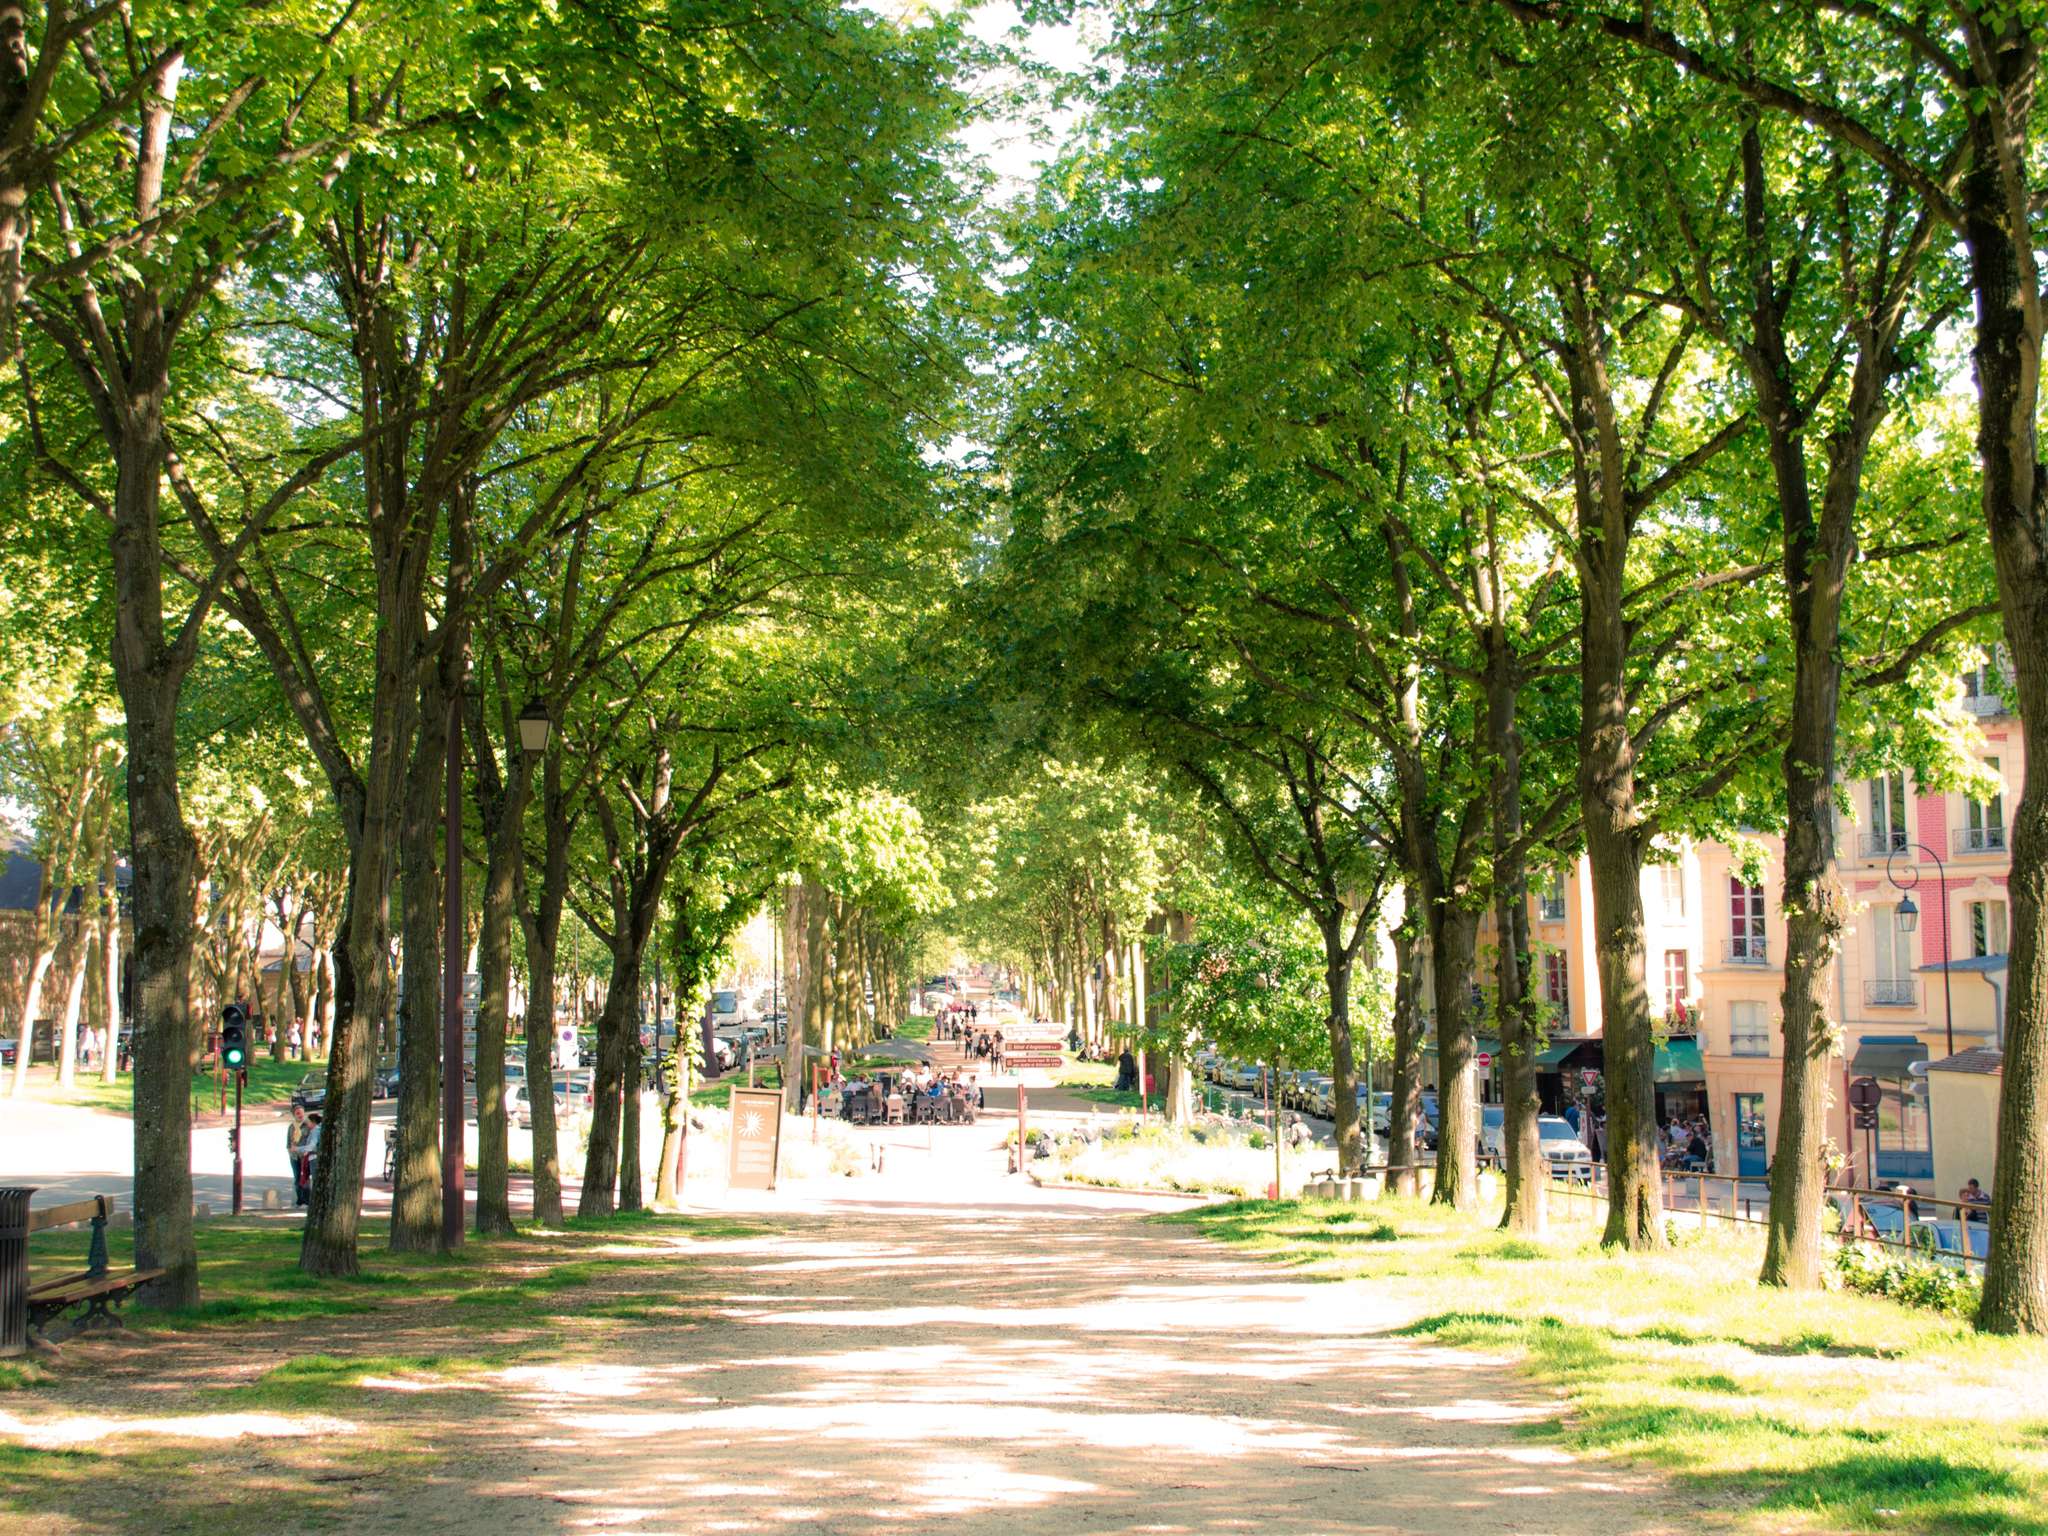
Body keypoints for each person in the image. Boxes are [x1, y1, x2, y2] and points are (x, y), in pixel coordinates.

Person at [287, 1102, 314, 1206]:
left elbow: (311, 1140)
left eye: (302, 1113)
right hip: (294, 1157)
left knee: (305, 1178)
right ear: (294, 1115)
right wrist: (290, 1152)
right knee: (297, 1177)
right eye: (298, 1113)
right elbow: (288, 1142)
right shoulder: (291, 1127)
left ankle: (307, 1199)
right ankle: (300, 1198)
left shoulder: (308, 1125)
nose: (300, 1115)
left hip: (305, 1155)